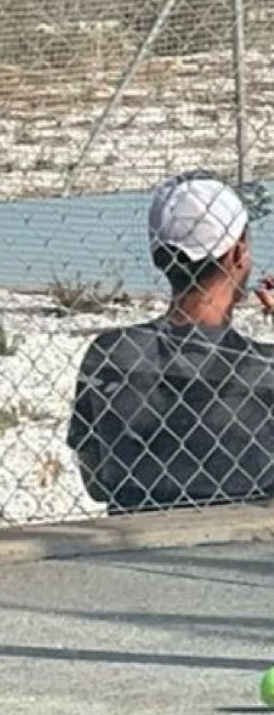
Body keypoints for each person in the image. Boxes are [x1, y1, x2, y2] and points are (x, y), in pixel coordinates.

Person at [68, 172, 274, 514]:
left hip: (132, 535)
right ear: (238, 254)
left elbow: (97, 485)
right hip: (249, 539)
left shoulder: (111, 353)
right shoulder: (263, 368)